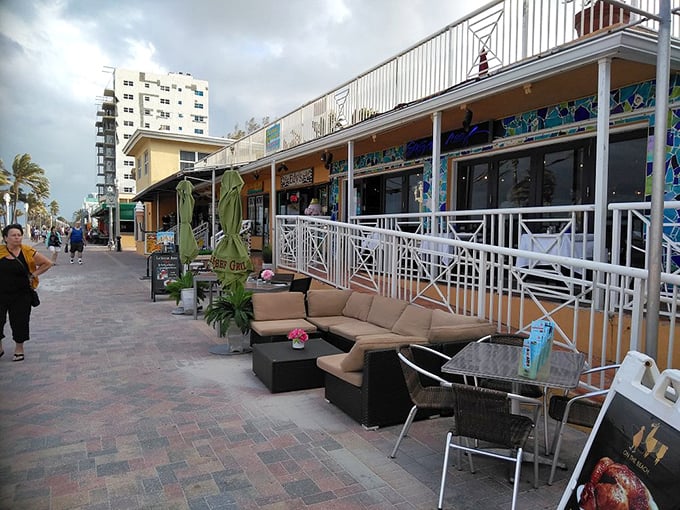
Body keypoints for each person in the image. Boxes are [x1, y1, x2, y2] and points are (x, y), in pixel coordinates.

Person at [0, 223, 52, 362]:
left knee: (20, 322)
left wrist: (34, 274)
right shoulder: (0, 252)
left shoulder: (27, 251)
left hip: (21, 294)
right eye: (13, 235)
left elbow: (47, 263)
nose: (17, 238)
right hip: (1, 293)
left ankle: (19, 349)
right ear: (5, 238)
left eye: (19, 235)